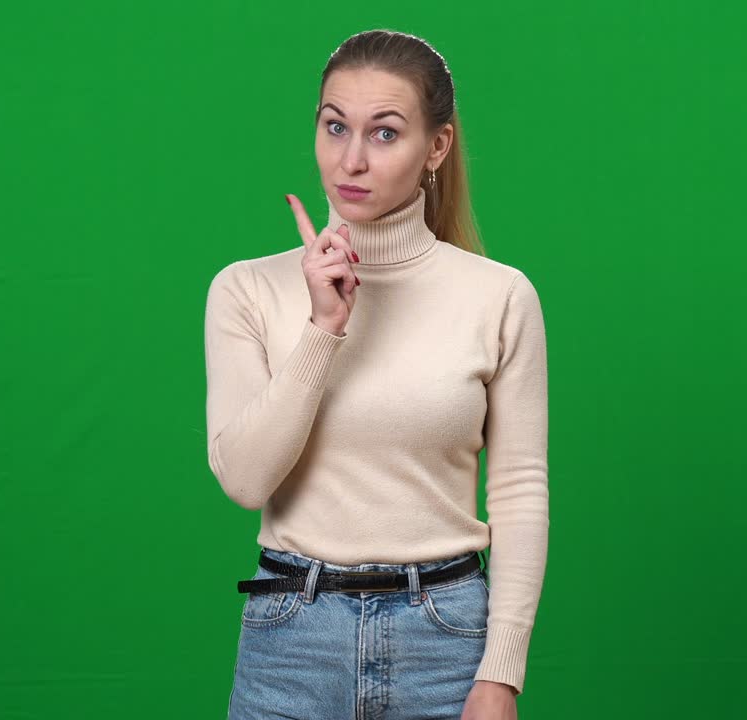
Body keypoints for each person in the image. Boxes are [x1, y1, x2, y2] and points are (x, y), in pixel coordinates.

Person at [205, 28, 548, 720]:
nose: (351, 160)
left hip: (446, 640)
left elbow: (517, 491)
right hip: (291, 639)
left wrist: (501, 673)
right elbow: (245, 482)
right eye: (335, 127)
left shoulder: (499, 296)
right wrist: (323, 330)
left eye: (384, 134)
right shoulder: (246, 290)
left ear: (437, 148)